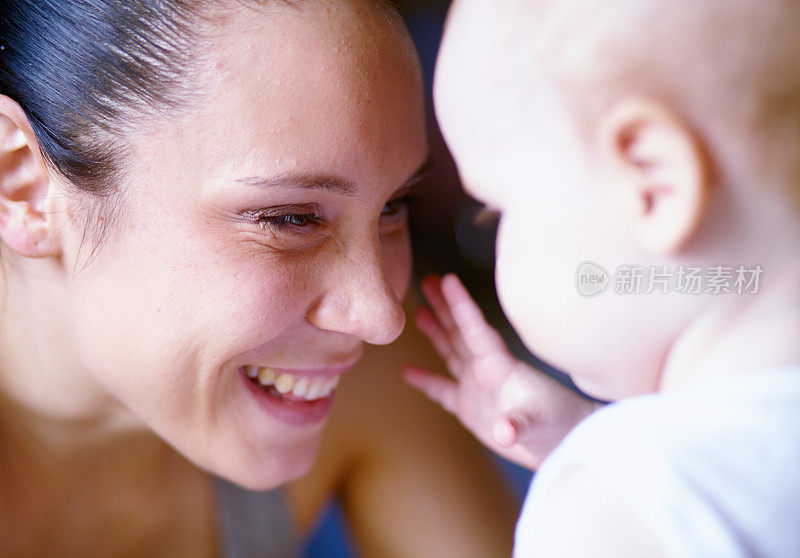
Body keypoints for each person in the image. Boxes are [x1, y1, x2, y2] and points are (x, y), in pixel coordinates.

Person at [0, 0, 539, 555]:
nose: (381, 316)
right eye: (291, 219)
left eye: (393, 206)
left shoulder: (373, 385)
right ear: (24, 186)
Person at [407, 0, 800, 556]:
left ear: (652, 182)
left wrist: (606, 471)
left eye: (496, 212)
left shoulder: (609, 507)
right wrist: (589, 436)